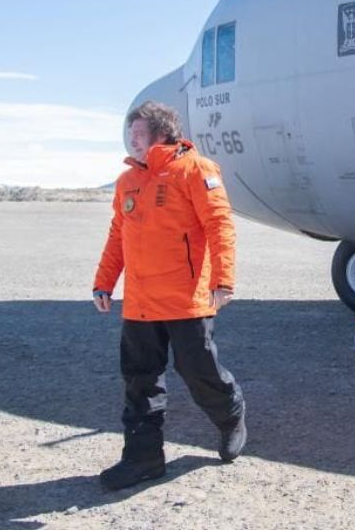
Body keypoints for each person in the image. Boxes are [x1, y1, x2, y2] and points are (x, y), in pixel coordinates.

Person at [92, 100, 246, 491]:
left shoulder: (196, 169)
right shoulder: (128, 181)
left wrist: (223, 279)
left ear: (162, 133)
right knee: (140, 382)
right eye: (129, 133)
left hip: (185, 298)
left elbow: (219, 225)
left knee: (198, 371)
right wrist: (104, 282)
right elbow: (117, 235)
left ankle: (230, 414)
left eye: (139, 133)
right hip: (141, 303)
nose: (132, 139)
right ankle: (144, 459)